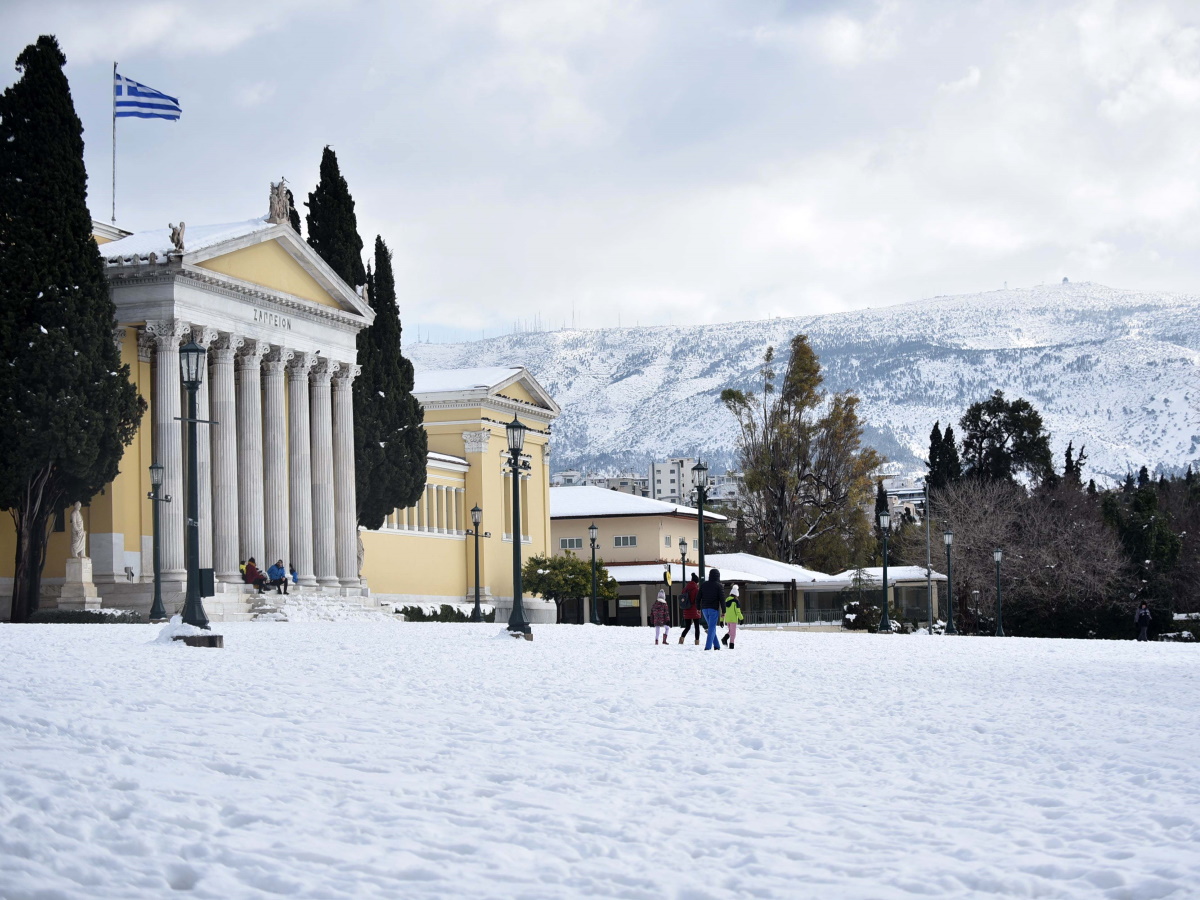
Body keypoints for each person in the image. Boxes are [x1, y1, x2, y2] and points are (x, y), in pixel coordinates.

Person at [697, 568, 725, 651]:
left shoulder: (704, 585)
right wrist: (724, 611)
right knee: (711, 628)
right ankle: (708, 647)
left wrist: (698, 608)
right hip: (713, 609)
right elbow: (722, 599)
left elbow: (698, 598)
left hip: (704, 609)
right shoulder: (719, 586)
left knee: (711, 627)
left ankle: (717, 645)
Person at [678, 573, 703, 645]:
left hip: (686, 609)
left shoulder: (685, 589)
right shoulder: (696, 589)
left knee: (687, 627)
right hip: (694, 610)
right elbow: (697, 600)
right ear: (696, 582)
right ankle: (697, 642)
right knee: (697, 627)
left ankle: (681, 639)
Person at [722, 584, 744, 649]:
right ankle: (731, 645)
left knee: (730, 631)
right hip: (733, 619)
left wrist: (722, 619)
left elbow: (724, 610)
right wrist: (741, 618)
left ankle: (725, 639)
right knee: (733, 634)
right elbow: (738, 611)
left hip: (727, 619)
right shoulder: (736, 602)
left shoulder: (726, 600)